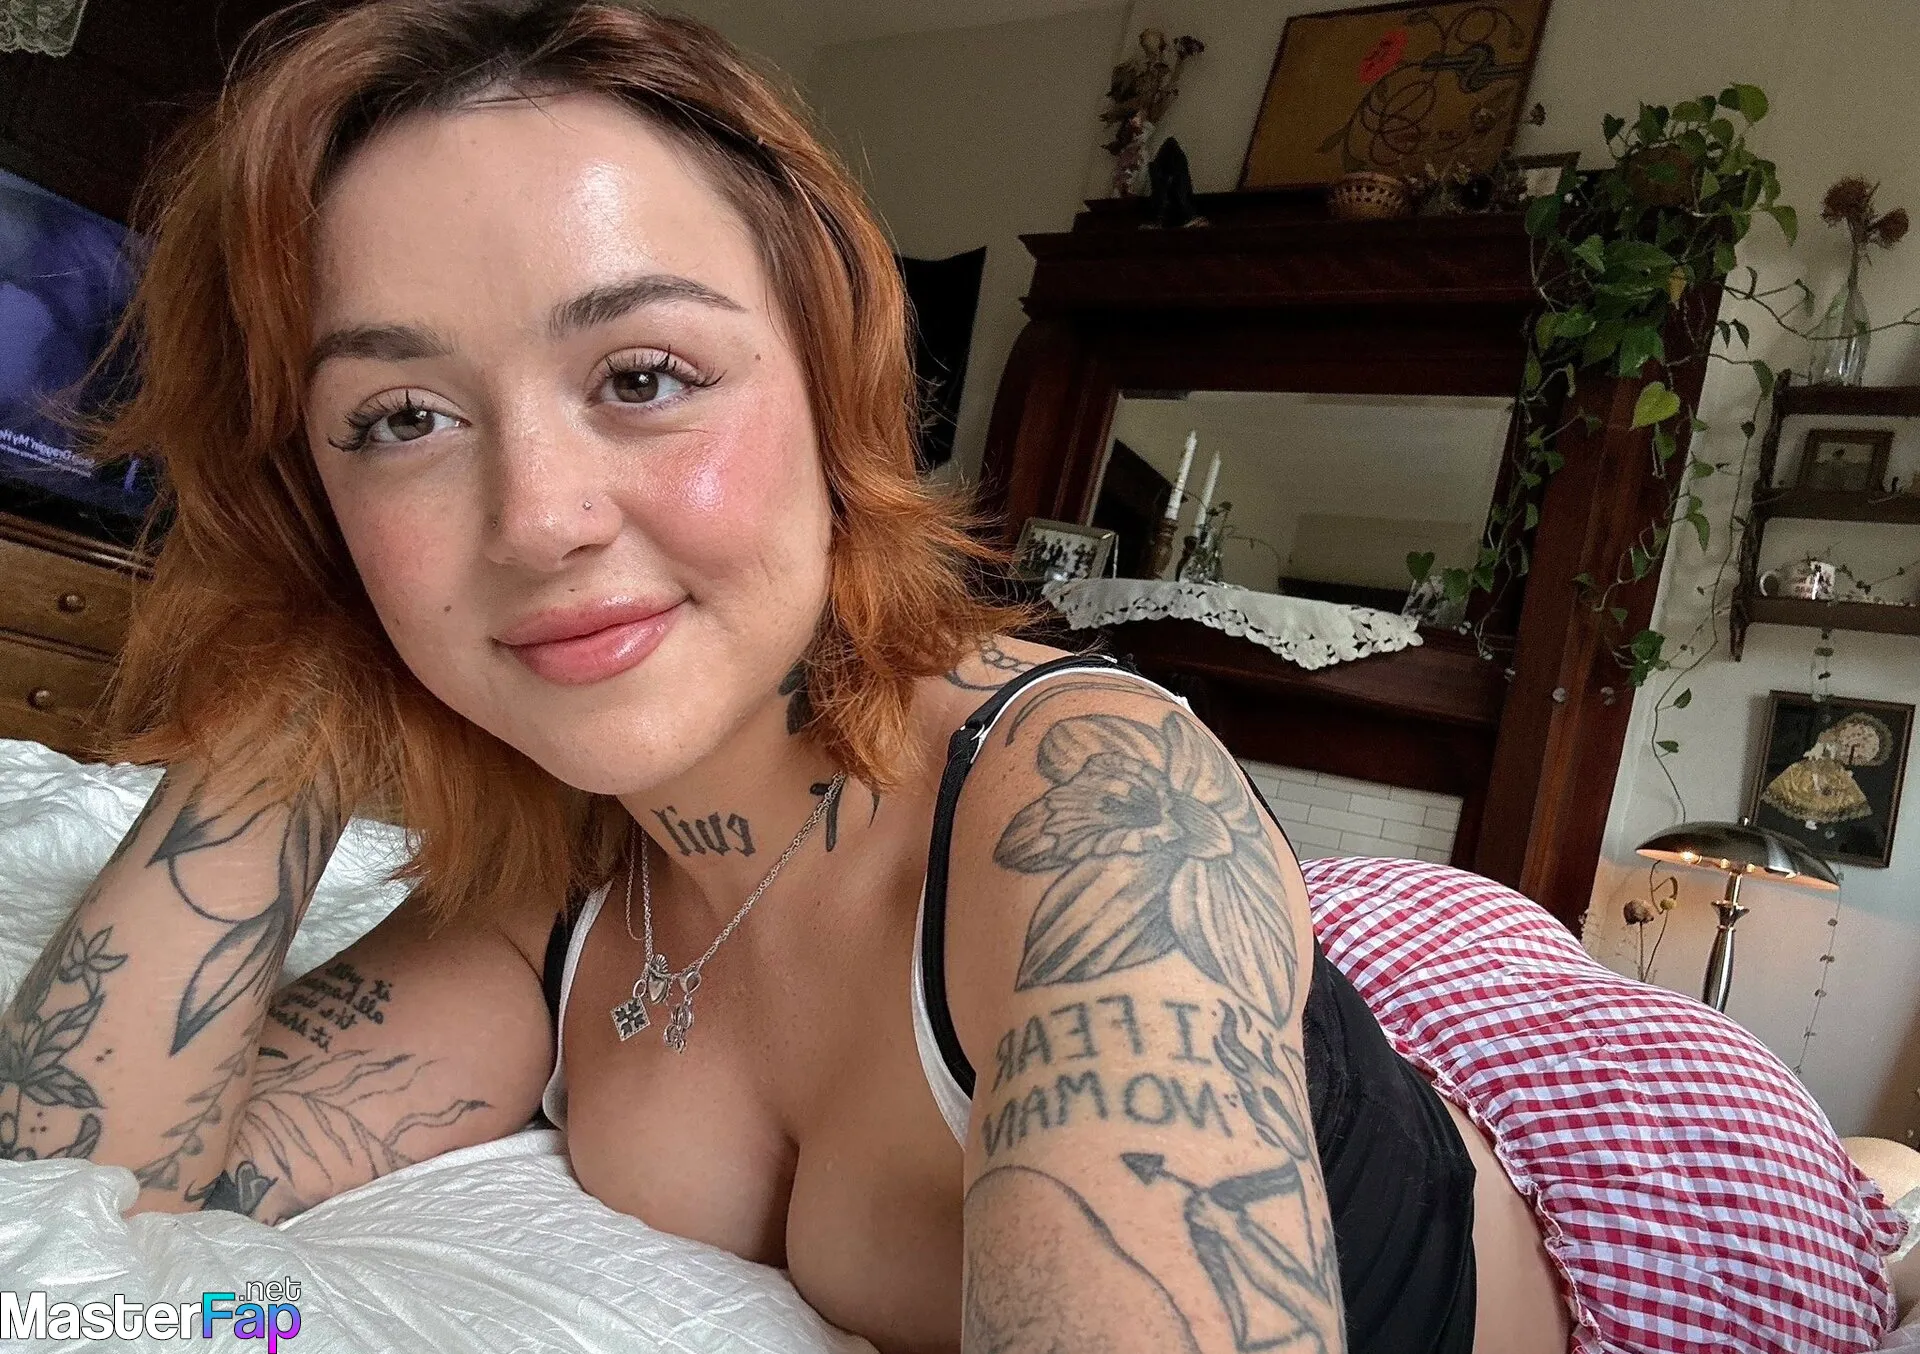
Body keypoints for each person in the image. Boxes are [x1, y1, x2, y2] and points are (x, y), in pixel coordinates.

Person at [0, 3, 1905, 1352]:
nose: (539, 518)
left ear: (837, 392)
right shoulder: (554, 874)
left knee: (1861, 1188)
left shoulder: (1090, 806)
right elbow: (76, 1207)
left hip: (1613, 1218)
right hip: (1306, 967)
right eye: (400, 418)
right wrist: (313, 644)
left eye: (644, 375)